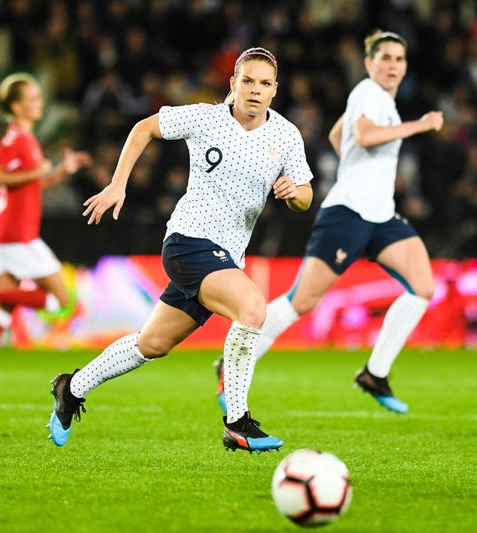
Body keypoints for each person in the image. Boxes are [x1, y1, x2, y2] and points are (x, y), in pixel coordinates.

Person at [47, 47, 314, 452]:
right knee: (253, 310)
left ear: (275, 91)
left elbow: (307, 194)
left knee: (152, 344)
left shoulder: (286, 135)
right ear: (233, 84)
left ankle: (71, 387)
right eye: (247, 81)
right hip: (188, 241)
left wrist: (295, 193)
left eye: (264, 84)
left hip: (225, 258)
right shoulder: (205, 118)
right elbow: (143, 128)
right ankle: (237, 422)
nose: (255, 90)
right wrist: (118, 184)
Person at [216, 30, 443, 414]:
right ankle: (235, 361)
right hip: (348, 214)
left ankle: (375, 373)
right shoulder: (368, 92)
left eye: (399, 59)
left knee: (423, 286)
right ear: (369, 63)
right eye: (385, 58)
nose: (392, 65)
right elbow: (364, 135)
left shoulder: (381, 100)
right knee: (300, 301)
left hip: (381, 215)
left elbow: (340, 135)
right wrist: (420, 125)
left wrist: (356, 165)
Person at [0, 68, 91, 388]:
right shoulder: (15, 138)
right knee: (62, 301)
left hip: (0, 237)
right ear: (16, 106)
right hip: (16, 236)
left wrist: (60, 171)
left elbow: (32, 183)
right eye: (33, 98)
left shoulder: (24, 138)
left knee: (6, 305)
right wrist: (36, 171)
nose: (39, 102)